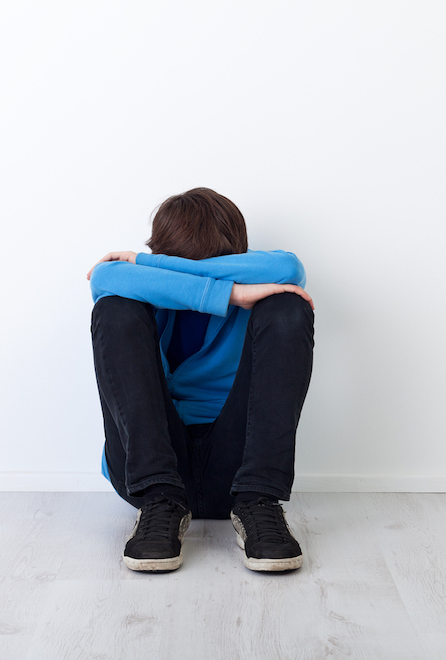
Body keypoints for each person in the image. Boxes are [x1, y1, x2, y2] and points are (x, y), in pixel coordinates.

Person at [85, 187, 315, 573]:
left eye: (216, 264)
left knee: (288, 306)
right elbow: (103, 276)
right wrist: (231, 292)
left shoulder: (150, 271)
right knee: (113, 309)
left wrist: (161, 267)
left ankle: (260, 502)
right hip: (150, 471)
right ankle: (160, 504)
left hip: (239, 467)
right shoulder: (140, 292)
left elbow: (289, 269)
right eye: (175, 263)